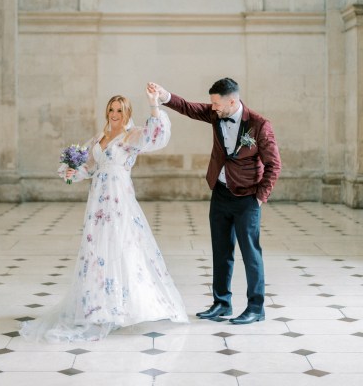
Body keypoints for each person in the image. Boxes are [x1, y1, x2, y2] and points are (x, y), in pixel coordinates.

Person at [20, 84, 188, 342]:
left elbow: (157, 135)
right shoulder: (99, 138)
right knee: (97, 249)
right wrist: (72, 173)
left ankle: (124, 306)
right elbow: (88, 167)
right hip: (98, 199)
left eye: (120, 110)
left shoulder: (132, 137)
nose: (114, 114)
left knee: (121, 245)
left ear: (127, 112)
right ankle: (96, 303)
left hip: (119, 198)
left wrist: (155, 104)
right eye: (111, 109)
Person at [151, 78, 281, 325]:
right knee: (221, 251)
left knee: (251, 254)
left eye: (216, 103)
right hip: (220, 193)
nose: (212, 107)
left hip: (247, 198)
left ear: (233, 101)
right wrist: (164, 95)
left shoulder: (259, 125)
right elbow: (189, 107)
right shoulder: (216, 114)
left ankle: (256, 308)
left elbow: (274, 165)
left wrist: (260, 198)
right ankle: (221, 303)